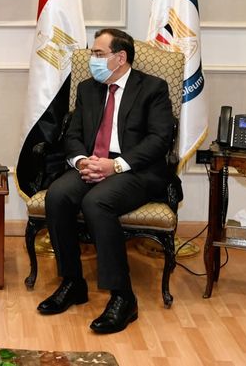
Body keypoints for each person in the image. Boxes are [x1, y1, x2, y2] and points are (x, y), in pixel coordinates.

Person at [37, 28, 173, 334]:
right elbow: (73, 134)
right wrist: (82, 162)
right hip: (93, 163)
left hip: (136, 170)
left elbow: (159, 139)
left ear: (120, 57)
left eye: (98, 54)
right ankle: (73, 282)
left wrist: (116, 165)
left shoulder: (153, 88)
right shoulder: (88, 89)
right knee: (58, 195)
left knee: (97, 202)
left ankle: (123, 297)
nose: (92, 59)